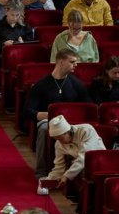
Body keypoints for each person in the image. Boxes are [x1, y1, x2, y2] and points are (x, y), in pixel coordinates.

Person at [25, 50, 93, 179]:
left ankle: (80, 170)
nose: (76, 65)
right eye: (72, 62)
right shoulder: (41, 85)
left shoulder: (77, 84)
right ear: (61, 62)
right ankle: (41, 171)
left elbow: (89, 106)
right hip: (50, 122)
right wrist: (49, 115)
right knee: (43, 129)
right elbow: (28, 111)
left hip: (73, 122)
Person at [38, 115, 105, 202]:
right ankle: (84, 205)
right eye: (56, 139)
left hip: (101, 162)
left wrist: (67, 176)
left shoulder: (86, 130)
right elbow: (59, 167)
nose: (59, 141)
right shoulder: (58, 144)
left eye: (60, 138)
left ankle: (85, 206)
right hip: (81, 166)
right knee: (81, 173)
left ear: (67, 132)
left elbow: (84, 157)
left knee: (85, 174)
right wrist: (47, 181)